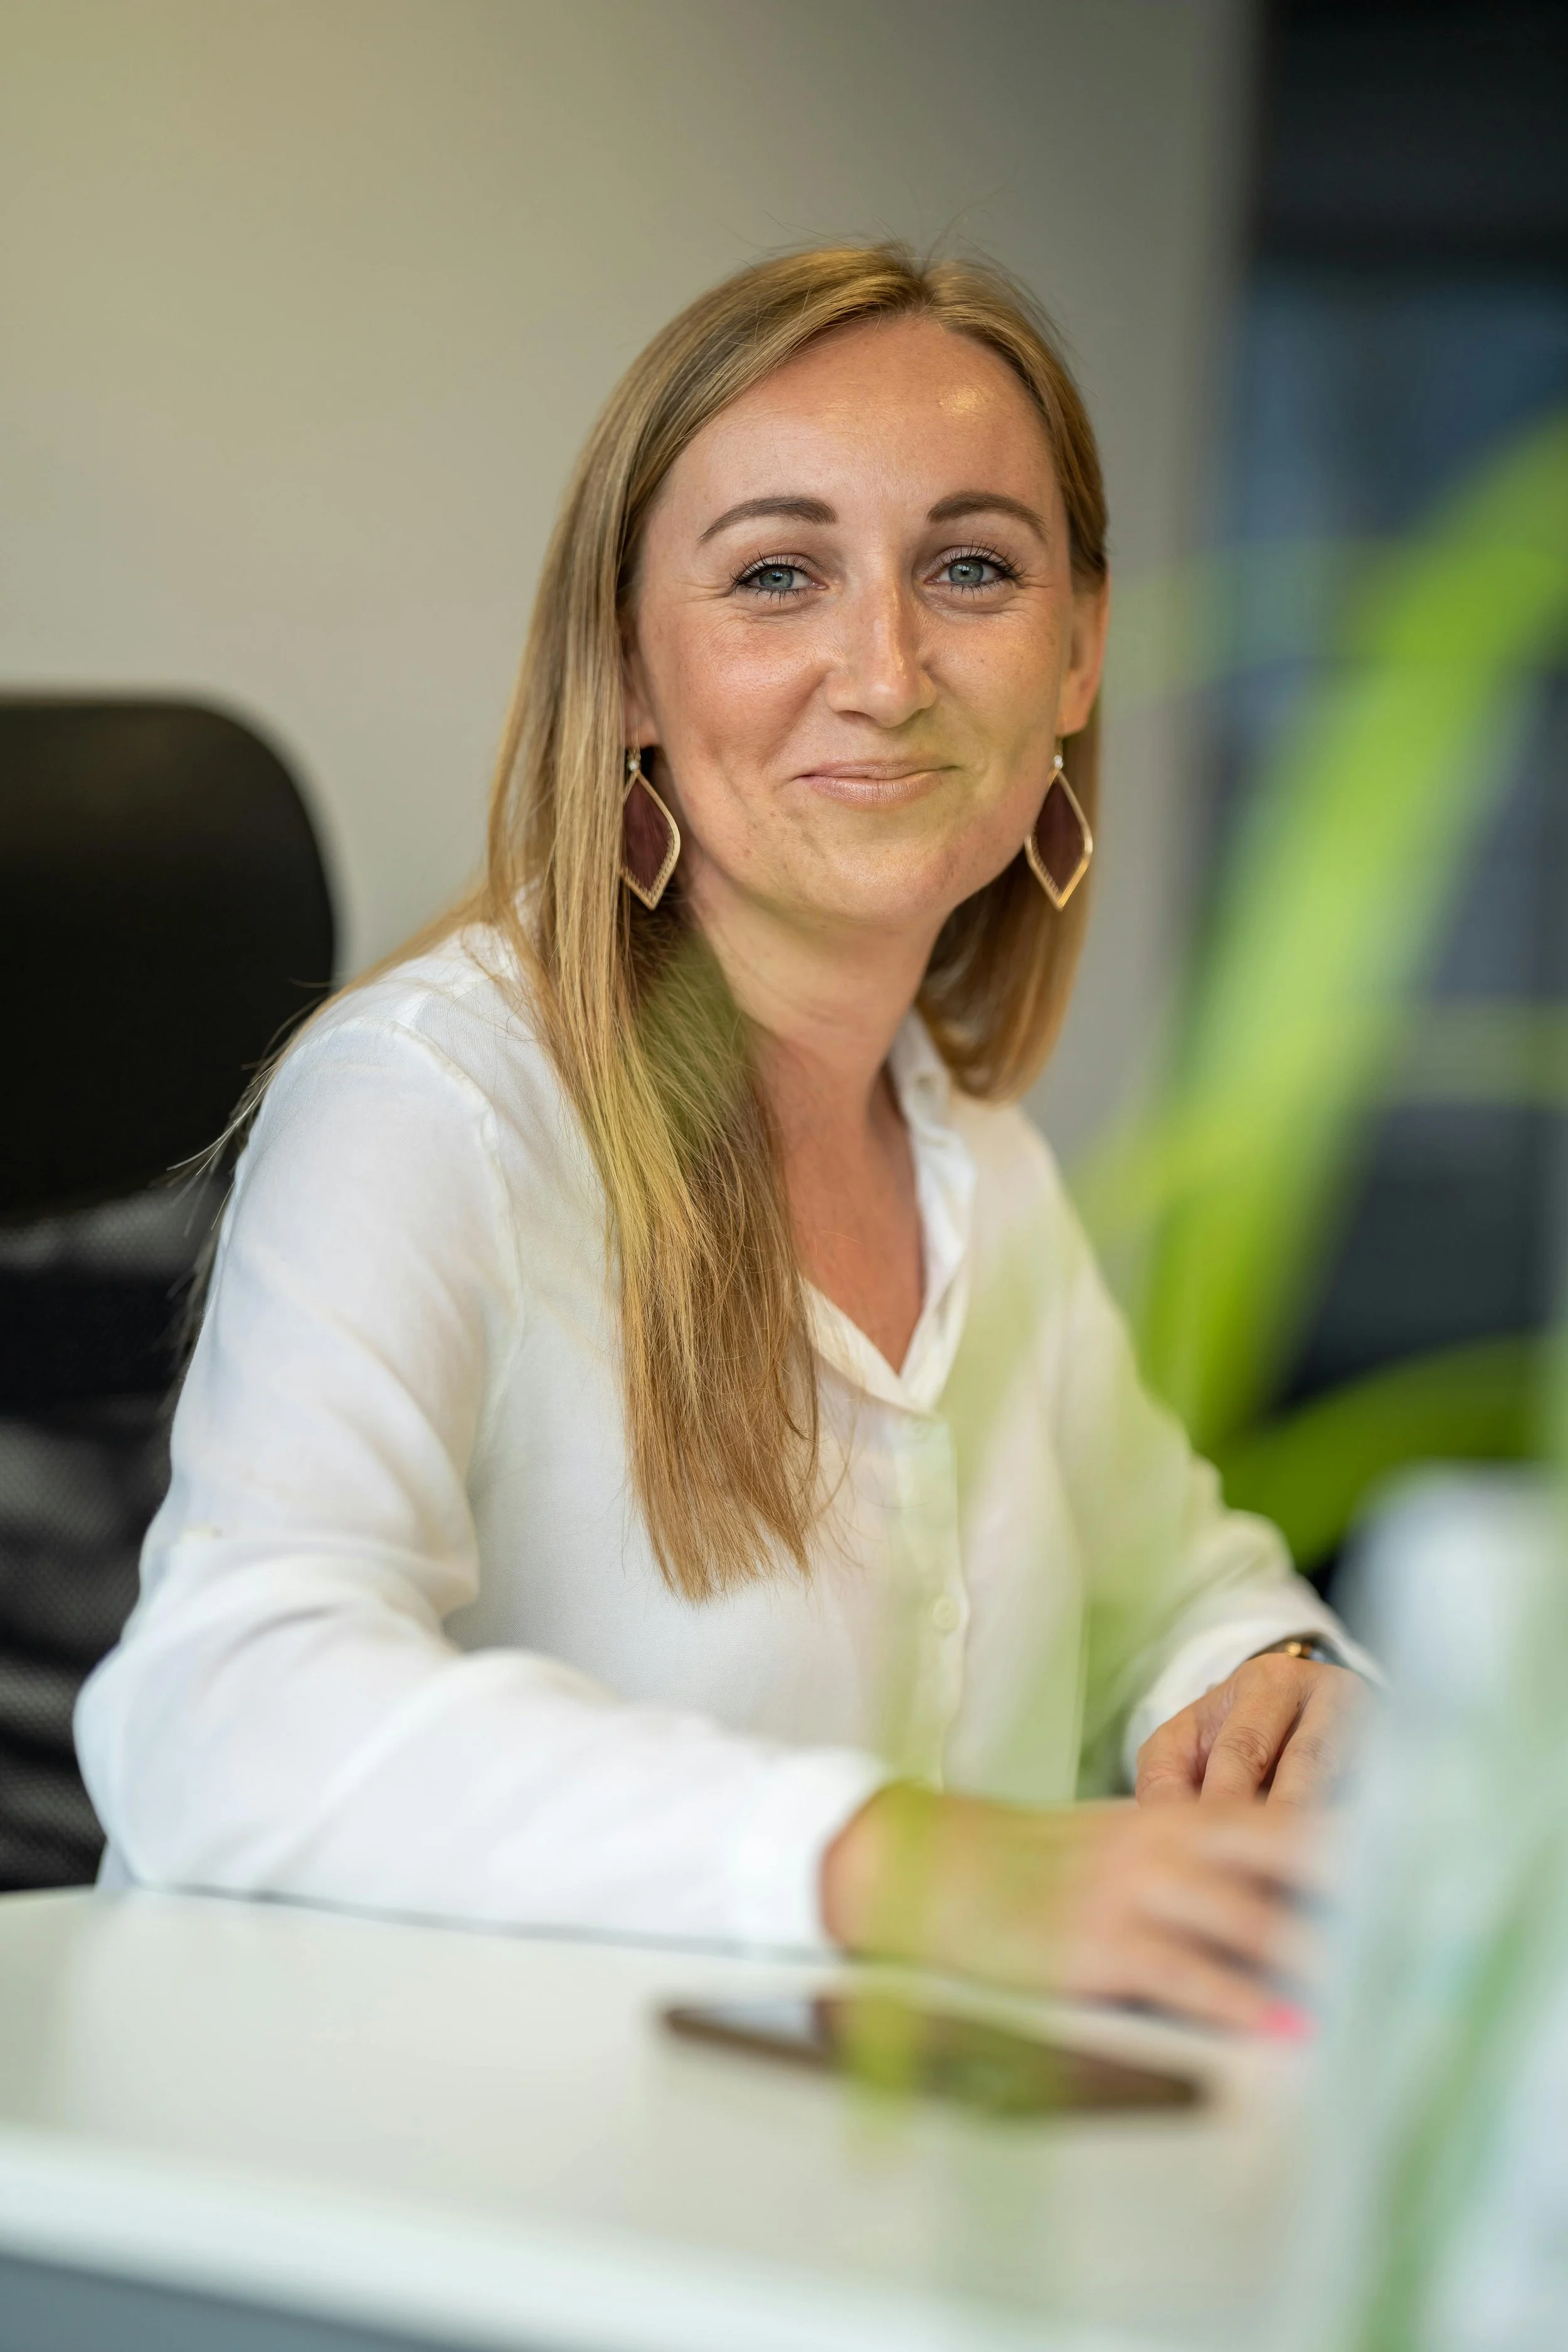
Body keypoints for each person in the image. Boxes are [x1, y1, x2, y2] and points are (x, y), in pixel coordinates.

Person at [77, 246, 1371, 2030]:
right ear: (626, 672)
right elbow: (220, 1708)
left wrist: (1277, 1677)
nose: (886, 667)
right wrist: (899, 1866)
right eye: (778, 575)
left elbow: (1185, 1591)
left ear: (1077, 655)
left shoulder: (972, 1164)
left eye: (974, 569)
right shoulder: (431, 1103)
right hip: (385, 2220)